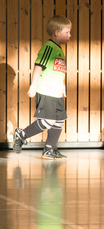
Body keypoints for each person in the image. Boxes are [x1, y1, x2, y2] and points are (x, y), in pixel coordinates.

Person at [12, 15, 71, 159]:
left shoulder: (59, 50)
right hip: (47, 91)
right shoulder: (49, 48)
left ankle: (50, 149)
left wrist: (62, 85)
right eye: (67, 32)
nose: (70, 35)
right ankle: (22, 134)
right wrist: (33, 85)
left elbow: (57, 70)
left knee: (59, 120)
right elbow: (38, 66)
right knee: (49, 120)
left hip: (56, 92)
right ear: (57, 33)